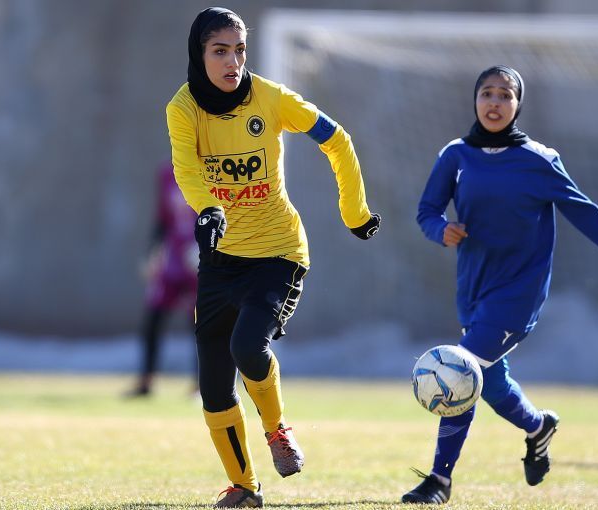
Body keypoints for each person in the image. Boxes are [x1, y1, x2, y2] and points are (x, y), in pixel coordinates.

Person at [403, 65, 598, 504]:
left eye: (505, 95)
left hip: (518, 293)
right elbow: (427, 211)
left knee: (461, 371)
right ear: (474, 100)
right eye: (487, 93)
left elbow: (585, 212)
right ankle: (538, 427)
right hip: (473, 288)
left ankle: (439, 481)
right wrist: (441, 230)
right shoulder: (455, 155)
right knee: (491, 383)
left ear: (518, 104)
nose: (494, 102)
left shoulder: (539, 159)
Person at [165, 7, 380, 508]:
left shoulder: (271, 98)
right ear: (199, 54)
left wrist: (355, 212)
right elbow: (186, 169)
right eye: (220, 51)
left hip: (278, 253)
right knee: (213, 386)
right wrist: (209, 208)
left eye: (239, 50)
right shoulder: (182, 108)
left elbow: (338, 140)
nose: (232, 61)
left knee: (247, 346)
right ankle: (244, 487)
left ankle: (277, 430)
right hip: (220, 259)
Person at [124, 161, 199, 398]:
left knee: (201, 324)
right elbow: (163, 219)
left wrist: (207, 247)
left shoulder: (212, 169)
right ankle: (146, 381)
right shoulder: (167, 174)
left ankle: (202, 386)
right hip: (173, 260)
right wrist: (152, 252)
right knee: (153, 318)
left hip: (200, 260)